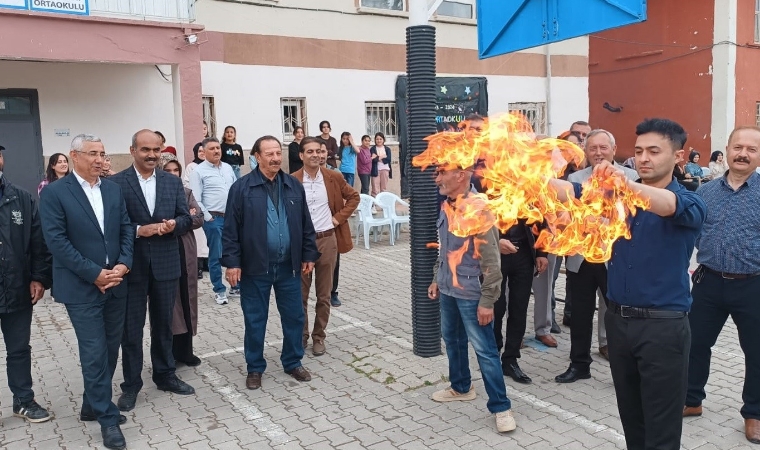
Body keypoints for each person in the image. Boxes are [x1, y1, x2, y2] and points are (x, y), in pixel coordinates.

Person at [550, 118, 706, 450]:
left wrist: (625, 185)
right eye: (638, 151)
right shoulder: (613, 199)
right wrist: (528, 180)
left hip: (663, 329)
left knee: (661, 430)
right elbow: (571, 191)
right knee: (632, 422)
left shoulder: (690, 200)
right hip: (618, 324)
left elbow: (667, 206)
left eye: (654, 151)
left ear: (679, 157)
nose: (644, 158)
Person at [39, 134, 134, 450]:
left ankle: (90, 404)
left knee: (109, 349)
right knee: (94, 353)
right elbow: (57, 242)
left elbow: (125, 230)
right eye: (92, 153)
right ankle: (107, 420)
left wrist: (122, 265)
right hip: (82, 287)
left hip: (116, 283)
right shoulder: (55, 193)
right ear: (74, 156)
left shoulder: (113, 189)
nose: (99, 159)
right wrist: (94, 274)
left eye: (103, 153)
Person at [222, 135, 319, 390]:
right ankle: (254, 367)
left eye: (278, 153)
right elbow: (230, 230)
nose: (276, 158)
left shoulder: (292, 186)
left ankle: (292, 361)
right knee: (255, 319)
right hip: (255, 269)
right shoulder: (242, 188)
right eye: (270, 154)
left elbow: (305, 224)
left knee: (294, 317)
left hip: (289, 266)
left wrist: (308, 255)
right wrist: (232, 264)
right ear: (256, 156)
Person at [427, 164, 516, 434]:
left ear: (461, 176)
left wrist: (488, 300)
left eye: (443, 173)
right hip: (448, 289)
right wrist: (435, 278)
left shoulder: (479, 209)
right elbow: (445, 248)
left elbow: (492, 261)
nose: (437, 178)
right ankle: (461, 387)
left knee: (485, 351)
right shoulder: (447, 205)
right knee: (452, 340)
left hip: (470, 294)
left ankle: (501, 407)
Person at [685, 126, 760, 445]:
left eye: (752, 149)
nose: (743, 153)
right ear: (727, 150)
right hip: (708, 281)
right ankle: (691, 399)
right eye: (738, 147)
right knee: (693, 344)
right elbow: (694, 233)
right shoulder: (706, 192)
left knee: (756, 353)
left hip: (753, 286)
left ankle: (754, 413)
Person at [110, 130, 194, 412]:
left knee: (164, 326)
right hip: (131, 266)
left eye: (156, 150)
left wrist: (174, 225)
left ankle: (165, 374)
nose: (151, 155)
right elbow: (112, 226)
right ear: (132, 150)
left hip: (166, 263)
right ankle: (131, 385)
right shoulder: (116, 183)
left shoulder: (172, 183)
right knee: (131, 330)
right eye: (145, 149)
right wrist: (138, 230)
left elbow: (186, 218)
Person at [556, 129, 638, 383]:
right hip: (581, 257)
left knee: (618, 315)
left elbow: (635, 218)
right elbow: (564, 214)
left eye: (604, 148)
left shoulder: (632, 177)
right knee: (579, 315)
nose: (598, 153)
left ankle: (623, 369)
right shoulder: (576, 177)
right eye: (593, 148)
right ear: (586, 151)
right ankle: (579, 364)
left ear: (614, 150)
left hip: (615, 258)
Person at [0, 146, 54, 424]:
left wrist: (39, 277)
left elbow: (38, 242)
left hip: (17, 287)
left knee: (19, 349)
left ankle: (23, 400)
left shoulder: (20, 198)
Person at [293, 137, 359, 355]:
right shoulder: (292, 181)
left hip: (327, 240)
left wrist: (338, 218)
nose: (315, 155)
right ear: (301, 155)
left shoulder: (333, 176)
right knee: (300, 295)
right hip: (302, 244)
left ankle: (319, 336)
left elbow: (354, 197)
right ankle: (301, 336)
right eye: (309, 151)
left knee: (324, 295)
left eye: (318, 151)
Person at [493, 219, 548, 384]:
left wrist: (542, 254)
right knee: (496, 307)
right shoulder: (485, 191)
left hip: (523, 252)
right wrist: (495, 241)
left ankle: (510, 359)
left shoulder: (531, 191)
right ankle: (492, 355)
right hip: (495, 253)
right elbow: (478, 220)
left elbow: (542, 220)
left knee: (519, 308)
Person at [162, 159, 205, 367]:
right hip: (164, 251)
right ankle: (167, 353)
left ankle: (186, 351)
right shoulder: (158, 193)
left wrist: (175, 223)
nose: (172, 173)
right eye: (167, 170)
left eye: (175, 170)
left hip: (185, 250)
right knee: (169, 303)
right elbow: (157, 221)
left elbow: (199, 218)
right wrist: (185, 218)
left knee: (187, 299)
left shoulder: (186, 192)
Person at [190, 137, 238, 304]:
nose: (217, 151)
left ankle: (235, 286)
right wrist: (208, 218)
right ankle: (219, 289)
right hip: (213, 218)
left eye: (218, 148)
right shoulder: (198, 171)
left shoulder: (227, 168)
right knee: (216, 255)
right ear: (203, 152)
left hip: (232, 217)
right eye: (212, 149)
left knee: (234, 251)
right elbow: (196, 197)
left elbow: (236, 190)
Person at [185, 133, 209, 279]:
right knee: (200, 238)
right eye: (199, 151)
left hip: (210, 205)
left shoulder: (210, 167)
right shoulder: (191, 166)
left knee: (210, 238)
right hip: (197, 202)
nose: (202, 154)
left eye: (203, 151)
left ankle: (208, 264)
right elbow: (188, 183)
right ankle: (198, 266)